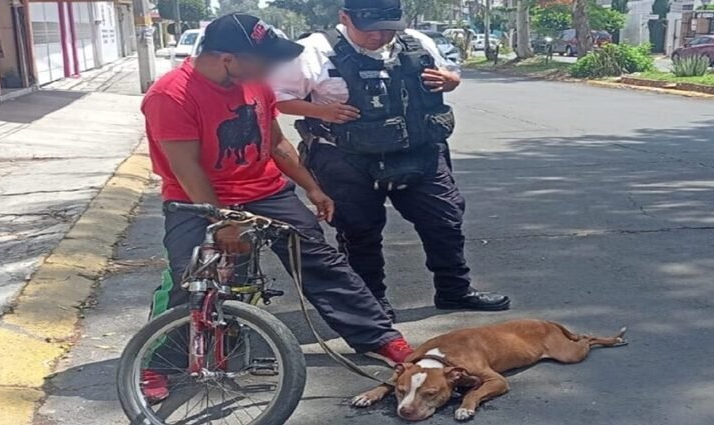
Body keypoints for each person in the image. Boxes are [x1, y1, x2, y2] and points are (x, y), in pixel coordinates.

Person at [140, 13, 412, 401]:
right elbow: (187, 170)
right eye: (264, 59)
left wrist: (312, 189)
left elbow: (277, 145)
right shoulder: (171, 95)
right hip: (195, 196)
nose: (272, 68)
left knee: (319, 259)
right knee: (193, 275)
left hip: (265, 191)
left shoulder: (255, 85)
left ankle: (379, 336)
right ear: (227, 59)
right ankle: (154, 362)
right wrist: (223, 222)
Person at [271, 0, 510, 322]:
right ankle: (372, 303)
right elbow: (276, 98)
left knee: (445, 221)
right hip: (346, 157)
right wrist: (320, 111)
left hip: (417, 151)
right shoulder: (311, 51)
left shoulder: (417, 43)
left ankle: (454, 290)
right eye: (370, 30)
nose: (380, 37)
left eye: (388, 29)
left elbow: (448, 74)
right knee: (360, 231)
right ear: (345, 18)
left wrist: (451, 81)